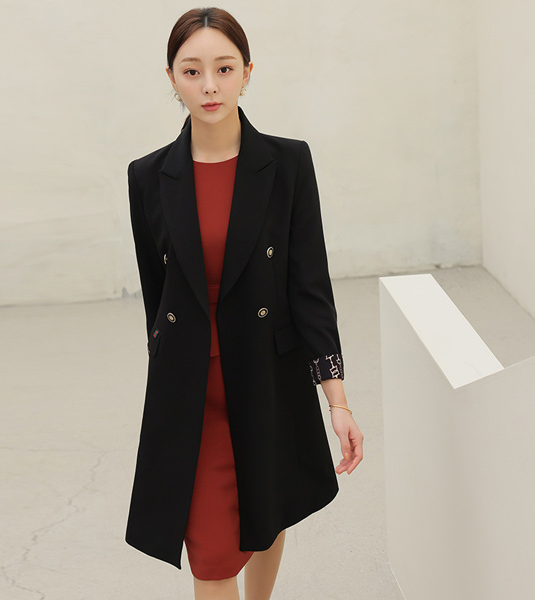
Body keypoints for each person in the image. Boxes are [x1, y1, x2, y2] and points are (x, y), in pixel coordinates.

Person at [125, 7, 364, 600]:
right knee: (210, 557)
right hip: (192, 389)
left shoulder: (287, 164)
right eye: (192, 71)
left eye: (224, 68)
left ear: (247, 72)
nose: (209, 85)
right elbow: (158, 297)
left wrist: (336, 399)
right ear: (172, 78)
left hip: (266, 376)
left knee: (266, 511)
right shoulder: (148, 176)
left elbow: (309, 288)